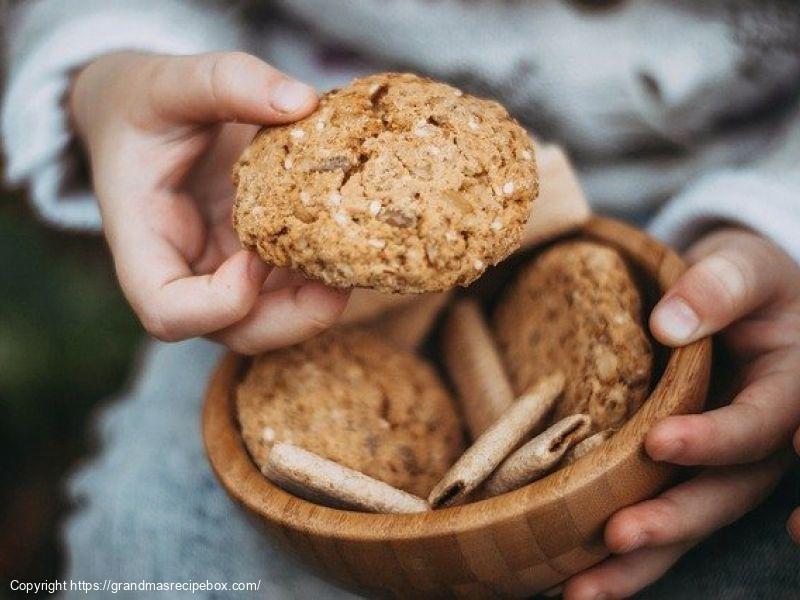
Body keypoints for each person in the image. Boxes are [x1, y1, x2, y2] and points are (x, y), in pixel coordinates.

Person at [3, 1, 800, 598]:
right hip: (256, 229)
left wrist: (782, 220)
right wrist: (113, 74)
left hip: (742, 228)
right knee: (150, 544)